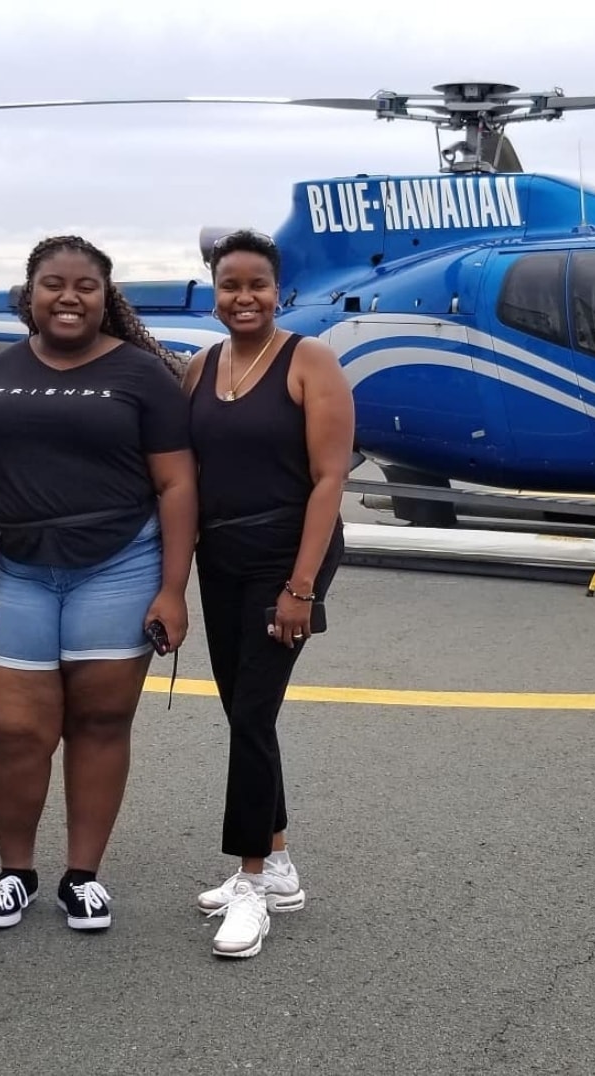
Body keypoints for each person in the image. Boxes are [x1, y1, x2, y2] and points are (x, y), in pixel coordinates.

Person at [0, 235, 198, 932]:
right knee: (11, 731)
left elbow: (177, 481)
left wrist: (173, 588)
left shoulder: (142, 374)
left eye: (85, 286)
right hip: (17, 570)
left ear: (107, 296)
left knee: (99, 722)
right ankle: (15, 871)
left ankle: (82, 875)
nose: (69, 297)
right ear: (30, 294)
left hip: (121, 565)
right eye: (53, 284)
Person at [182, 229, 354, 959]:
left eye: (257, 285)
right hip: (221, 556)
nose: (243, 297)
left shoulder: (309, 360)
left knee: (252, 713)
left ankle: (251, 879)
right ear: (213, 292)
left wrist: (301, 587)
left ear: (278, 292)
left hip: (288, 556)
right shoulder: (197, 368)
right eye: (230, 285)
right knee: (241, 711)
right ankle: (278, 860)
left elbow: (330, 479)